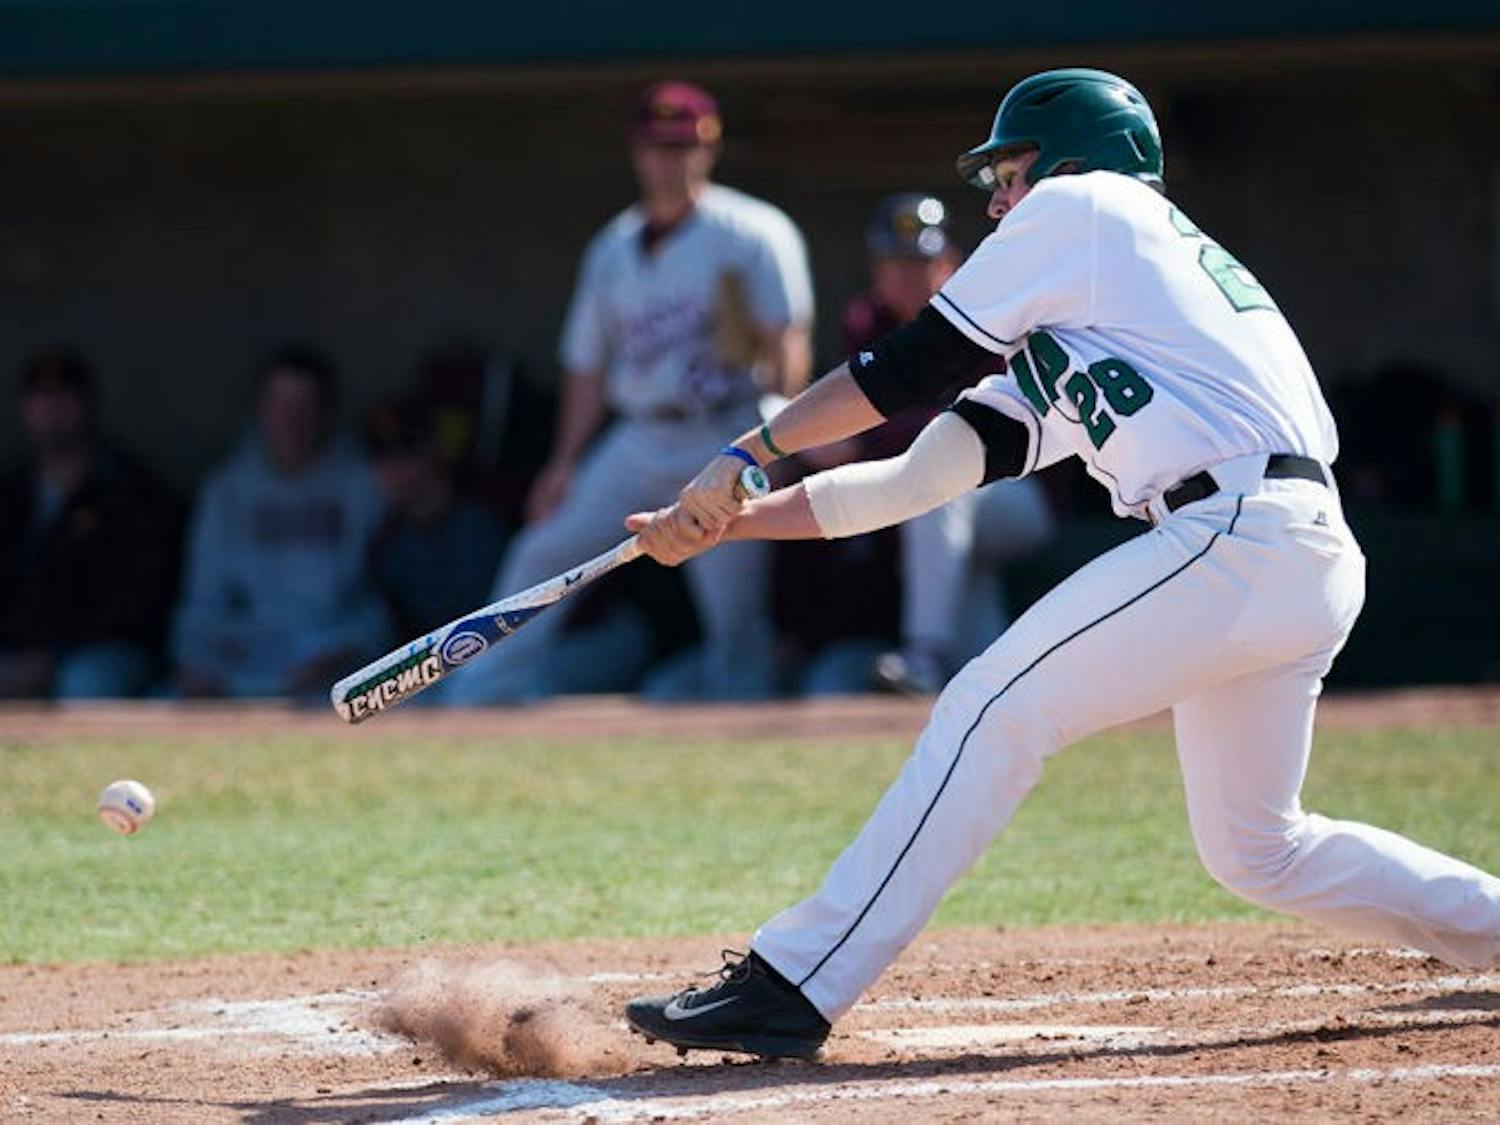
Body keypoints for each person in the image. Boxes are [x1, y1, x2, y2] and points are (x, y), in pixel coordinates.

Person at [619, 68, 1500, 1059]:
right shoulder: (1107, 313)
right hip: (1291, 551)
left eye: (1011, 173)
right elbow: (908, 483)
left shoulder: (1090, 206)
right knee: (1260, 850)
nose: (998, 202)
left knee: (989, 705)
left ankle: (794, 982)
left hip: (1239, 530)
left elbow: (906, 368)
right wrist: (727, 525)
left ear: (1077, 158)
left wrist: (747, 451)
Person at [450, 80, 814, 704]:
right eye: (656, 146)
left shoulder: (753, 230)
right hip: (640, 433)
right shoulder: (613, 246)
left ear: (708, 150)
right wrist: (563, 463)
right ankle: (481, 694)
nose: (668, 161)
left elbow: (790, 343)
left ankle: (744, 720)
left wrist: (773, 444)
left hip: (723, 430)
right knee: (543, 550)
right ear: (637, 152)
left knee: (733, 604)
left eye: (681, 146)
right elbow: (586, 367)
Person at [844, 193, 1055, 694]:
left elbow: (975, 423)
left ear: (949, 264)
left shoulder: (984, 310)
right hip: (950, 507)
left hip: (1021, 491)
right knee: (979, 659)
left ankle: (922, 653)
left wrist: (864, 442)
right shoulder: (865, 322)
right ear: (877, 269)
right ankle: (985, 686)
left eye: (920, 263)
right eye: (896, 263)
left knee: (939, 483)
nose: (908, 276)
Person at [171, 346, 389, 698]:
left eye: (306, 406)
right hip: (245, 655)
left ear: (327, 412)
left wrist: (344, 653)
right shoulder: (227, 489)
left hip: (336, 661)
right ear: (261, 409)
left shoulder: (364, 483)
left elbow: (382, 600)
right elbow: (203, 601)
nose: (292, 420)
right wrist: (198, 663)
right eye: (281, 405)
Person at [0, 350, 184, 698]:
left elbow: (139, 603)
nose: (52, 409)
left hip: (103, 650)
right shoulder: (12, 494)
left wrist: (52, 656)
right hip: (19, 650)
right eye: (41, 397)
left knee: (85, 682)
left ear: (87, 404)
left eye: (64, 396)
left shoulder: (131, 491)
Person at [363, 397, 510, 700]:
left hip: (504, 659)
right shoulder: (384, 541)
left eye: (406, 452)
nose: (394, 469)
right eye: (383, 457)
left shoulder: (480, 522)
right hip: (433, 673)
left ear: (432, 450)